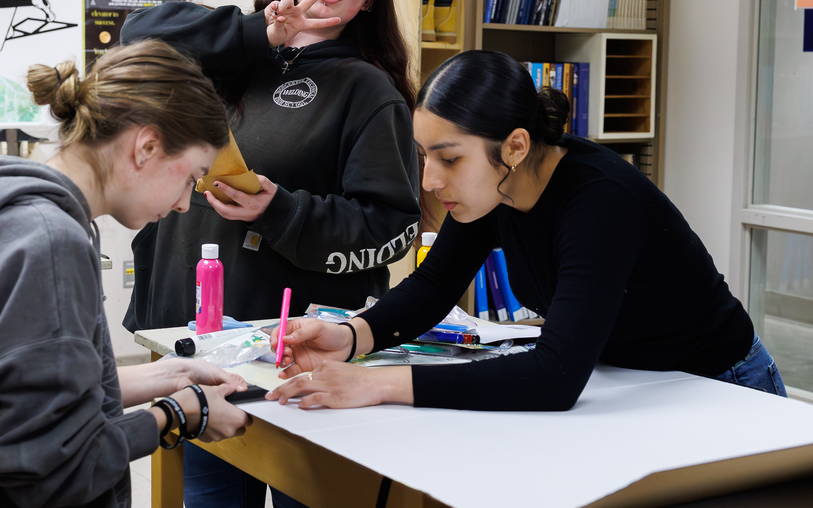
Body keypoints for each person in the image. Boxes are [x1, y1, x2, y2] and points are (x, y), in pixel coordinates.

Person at [270, 50, 787, 412]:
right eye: (425, 157)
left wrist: (377, 383)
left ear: (515, 146)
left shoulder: (601, 201)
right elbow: (433, 286)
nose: (429, 181)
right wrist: (351, 335)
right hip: (637, 381)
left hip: (719, 383)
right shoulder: (494, 189)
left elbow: (556, 377)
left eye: (449, 159)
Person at [0, 41, 252, 508]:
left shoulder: (8, 213)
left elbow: (25, 391)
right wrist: (178, 414)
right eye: (191, 177)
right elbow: (49, 469)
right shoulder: (51, 245)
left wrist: (167, 375)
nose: (180, 204)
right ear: (146, 147)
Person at [119, 0, 421, 508]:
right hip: (197, 349)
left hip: (292, 361)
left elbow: (393, 230)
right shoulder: (236, 57)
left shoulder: (368, 91)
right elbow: (136, 34)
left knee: (310, 507)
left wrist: (282, 211)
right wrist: (262, 33)